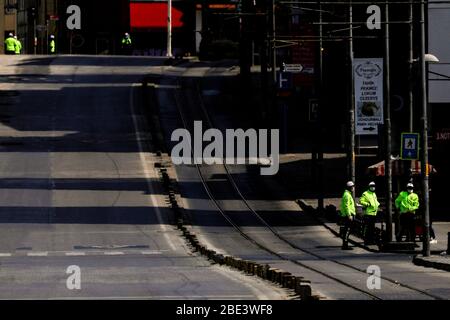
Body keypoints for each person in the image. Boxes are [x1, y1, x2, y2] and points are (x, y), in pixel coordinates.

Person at [339, 181, 356, 250]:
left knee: (347, 229)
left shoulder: (347, 194)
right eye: (353, 187)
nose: (353, 188)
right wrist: (349, 215)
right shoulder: (347, 195)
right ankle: (345, 245)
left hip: (347, 214)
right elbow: (346, 206)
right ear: (350, 187)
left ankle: (345, 244)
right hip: (347, 215)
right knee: (347, 230)